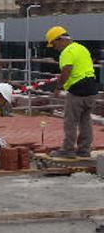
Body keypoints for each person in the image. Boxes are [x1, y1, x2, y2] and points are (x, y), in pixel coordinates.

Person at [46, 26, 98, 158]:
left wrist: (58, 87)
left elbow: (67, 70)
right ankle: (84, 150)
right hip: (91, 88)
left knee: (70, 121)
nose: (54, 47)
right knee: (86, 121)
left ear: (60, 39)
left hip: (77, 90)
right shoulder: (81, 48)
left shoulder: (67, 52)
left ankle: (67, 150)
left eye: (53, 43)